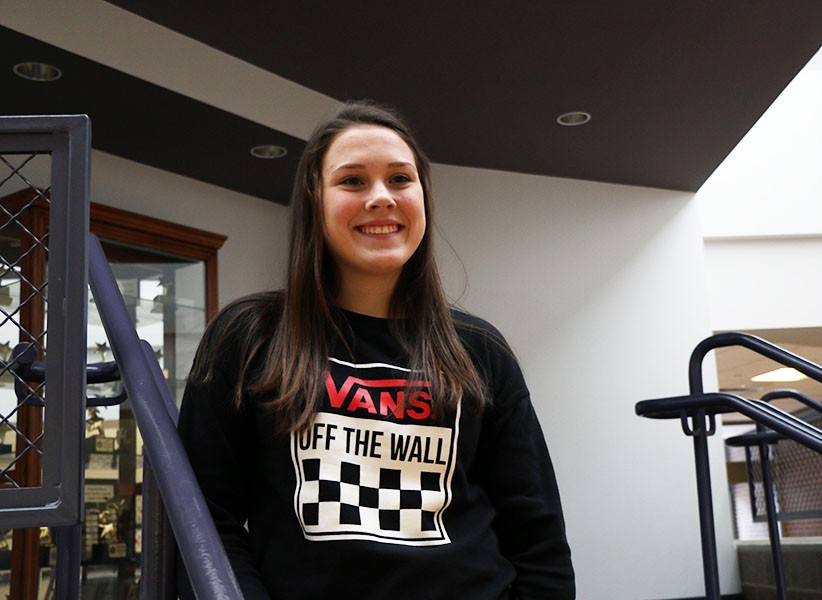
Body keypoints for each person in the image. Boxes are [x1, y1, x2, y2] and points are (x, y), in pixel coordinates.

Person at [177, 101, 575, 600]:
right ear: (314, 202)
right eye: (352, 181)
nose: (381, 197)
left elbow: (538, 540)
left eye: (400, 179)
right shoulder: (248, 336)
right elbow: (205, 521)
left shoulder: (480, 350)